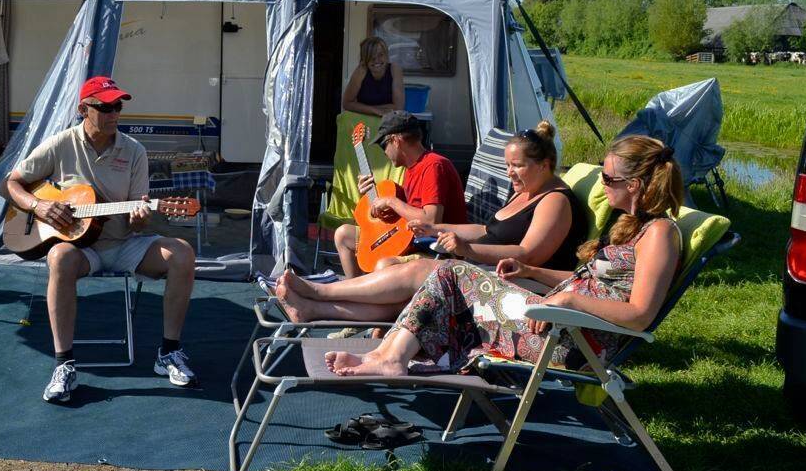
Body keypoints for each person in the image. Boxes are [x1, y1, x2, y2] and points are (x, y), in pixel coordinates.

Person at [324, 134, 682, 376]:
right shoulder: (630, 226)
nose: (602, 185)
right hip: (557, 323)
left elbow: (638, 314)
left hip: (578, 342)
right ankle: (386, 354)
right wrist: (534, 272)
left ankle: (385, 353)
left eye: (607, 178)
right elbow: (585, 281)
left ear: (633, 185)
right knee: (449, 275)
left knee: (451, 273)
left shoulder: (660, 234)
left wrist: (569, 301)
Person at [2, 76, 198, 403]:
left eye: (118, 106)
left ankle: (169, 353)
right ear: (84, 110)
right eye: (105, 107)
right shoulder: (60, 143)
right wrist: (40, 205)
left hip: (123, 244)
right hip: (81, 248)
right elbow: (11, 184)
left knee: (182, 253)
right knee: (59, 257)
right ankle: (64, 364)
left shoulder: (134, 151)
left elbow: (138, 217)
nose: (114, 114)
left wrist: (142, 216)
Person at [279, 121, 586, 326]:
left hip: (512, 282)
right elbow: (487, 231)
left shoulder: (554, 201)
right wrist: (437, 229)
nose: (509, 173)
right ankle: (313, 310)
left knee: (415, 271)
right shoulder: (528, 192)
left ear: (545, 165)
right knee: (399, 296)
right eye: (507, 165)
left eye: (516, 166)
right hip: (480, 267)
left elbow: (528, 255)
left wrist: (468, 250)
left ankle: (320, 293)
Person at [333, 109, 467, 279]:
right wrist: (373, 200)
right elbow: (406, 211)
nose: (384, 152)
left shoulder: (433, 166)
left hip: (438, 249)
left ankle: (367, 298)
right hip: (412, 239)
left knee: (384, 265)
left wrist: (391, 202)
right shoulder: (412, 168)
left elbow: (431, 221)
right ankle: (355, 293)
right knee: (343, 234)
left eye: (383, 145)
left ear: (396, 140)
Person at [343, 36, 406, 116]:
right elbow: (346, 103)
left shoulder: (395, 69)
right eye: (371, 56)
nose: (376, 60)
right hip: (364, 123)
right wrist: (375, 111)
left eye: (380, 55)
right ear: (365, 59)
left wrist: (361, 108)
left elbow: (399, 107)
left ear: (386, 55)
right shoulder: (361, 71)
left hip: (388, 122)